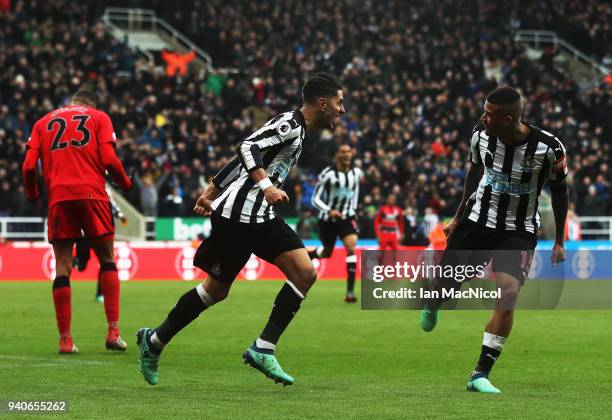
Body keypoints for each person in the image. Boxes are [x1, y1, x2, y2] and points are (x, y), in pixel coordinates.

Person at [136, 72, 345, 386]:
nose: (342, 109)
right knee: (215, 291)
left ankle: (263, 348)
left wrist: (212, 189)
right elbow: (247, 147)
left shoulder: (299, 130)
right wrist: (264, 187)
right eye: (339, 102)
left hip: (262, 216)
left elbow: (243, 157)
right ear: (322, 102)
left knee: (305, 273)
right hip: (237, 218)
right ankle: (153, 343)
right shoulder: (289, 124)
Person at [420, 86, 568, 394]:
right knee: (446, 286)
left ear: (509, 118)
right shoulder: (480, 135)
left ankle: (480, 374)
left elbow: (561, 191)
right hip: (477, 222)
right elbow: (473, 173)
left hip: (519, 229)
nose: (483, 118)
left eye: (490, 113)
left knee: (509, 292)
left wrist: (560, 239)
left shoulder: (549, 147)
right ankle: (433, 301)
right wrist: (458, 216)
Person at [22, 89, 132, 354]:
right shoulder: (99, 118)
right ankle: (113, 332)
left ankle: (65, 340)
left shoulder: (42, 123)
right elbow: (108, 159)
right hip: (93, 194)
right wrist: (126, 183)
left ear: (70, 103)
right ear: (90, 105)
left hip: (59, 197)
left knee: (62, 267)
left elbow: (28, 166)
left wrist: (33, 193)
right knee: (106, 259)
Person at [308, 144, 363, 303]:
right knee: (327, 252)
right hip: (328, 220)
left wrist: (353, 210)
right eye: (343, 152)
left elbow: (355, 193)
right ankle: (309, 254)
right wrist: (328, 210)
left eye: (349, 152)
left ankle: (350, 293)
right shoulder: (328, 174)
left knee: (351, 248)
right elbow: (315, 199)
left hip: (346, 217)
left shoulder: (355, 173)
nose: (347, 155)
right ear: (337, 155)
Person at [72, 183, 129, 303]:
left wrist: (120, 215)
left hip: (101, 231)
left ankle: (100, 294)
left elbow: (112, 204)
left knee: (105, 263)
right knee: (81, 266)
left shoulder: (103, 186)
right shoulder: (84, 185)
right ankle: (74, 261)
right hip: (84, 233)